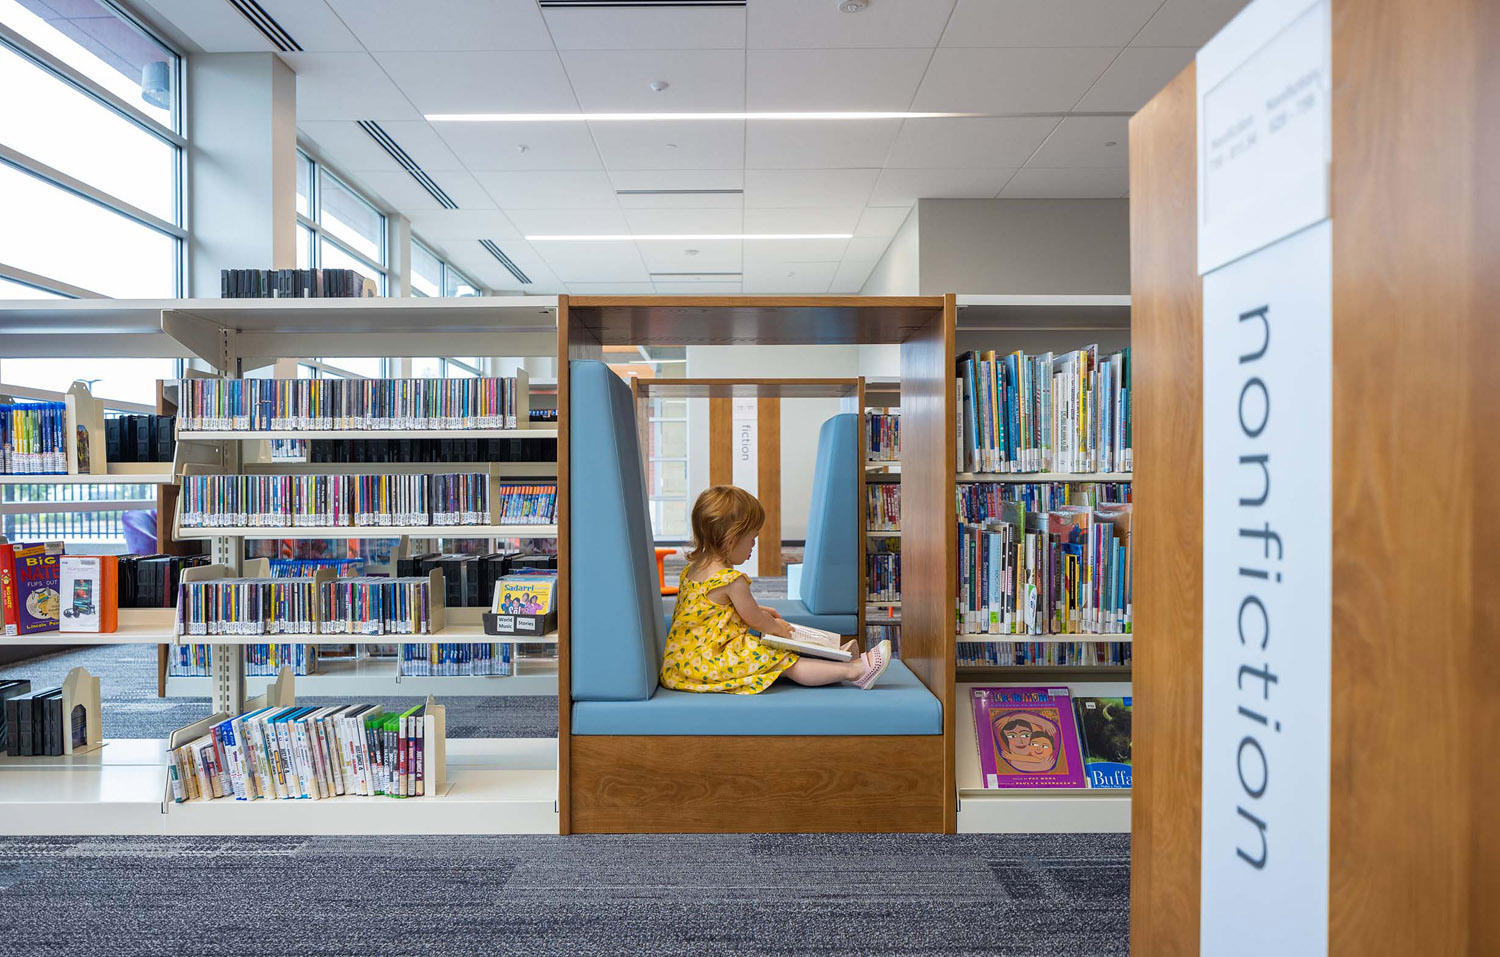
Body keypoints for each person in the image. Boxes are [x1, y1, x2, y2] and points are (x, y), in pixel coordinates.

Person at [660, 485, 891, 693]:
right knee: (784, 660)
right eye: (752, 538)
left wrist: (760, 610)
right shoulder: (731, 580)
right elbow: (757, 622)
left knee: (772, 650)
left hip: (682, 663)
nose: (753, 546)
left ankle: (833, 658)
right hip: (711, 661)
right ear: (731, 538)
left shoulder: (692, 571)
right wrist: (777, 627)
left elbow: (708, 611)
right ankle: (855, 671)